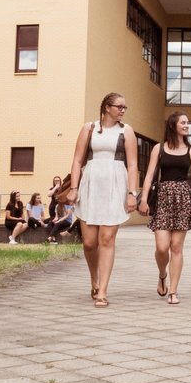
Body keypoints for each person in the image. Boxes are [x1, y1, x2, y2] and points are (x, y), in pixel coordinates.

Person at [66, 92, 139, 307]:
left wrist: (132, 193)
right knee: (89, 243)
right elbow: (78, 159)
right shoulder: (88, 128)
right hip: (90, 184)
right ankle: (94, 279)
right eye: (119, 107)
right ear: (107, 107)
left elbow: (133, 164)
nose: (123, 110)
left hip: (115, 185)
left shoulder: (127, 131)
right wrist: (73, 188)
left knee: (106, 239)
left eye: (125, 107)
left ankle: (103, 291)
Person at [139, 111, 191, 305]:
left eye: (187, 122)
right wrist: (143, 200)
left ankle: (173, 291)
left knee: (176, 247)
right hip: (163, 198)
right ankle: (161, 274)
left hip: (183, 198)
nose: (186, 125)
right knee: (161, 247)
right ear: (173, 125)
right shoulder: (159, 148)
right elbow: (149, 176)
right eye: (183, 122)